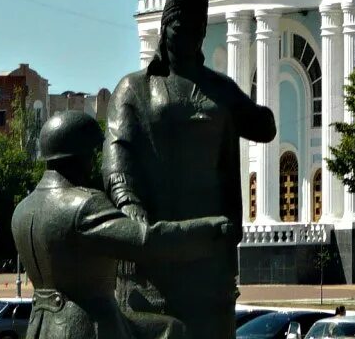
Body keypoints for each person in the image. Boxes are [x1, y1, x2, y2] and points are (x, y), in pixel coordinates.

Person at [105, 0, 276, 339]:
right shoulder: (134, 88)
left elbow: (264, 128)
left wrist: (243, 106)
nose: (190, 36)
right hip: (156, 249)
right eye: (181, 27)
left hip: (210, 252)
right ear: (165, 27)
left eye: (198, 28)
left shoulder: (218, 87)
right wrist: (128, 205)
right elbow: (118, 155)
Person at [13, 109, 234, 339]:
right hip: (88, 327)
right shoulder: (84, 204)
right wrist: (210, 229)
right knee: (175, 330)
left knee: (167, 328)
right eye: (92, 153)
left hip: (40, 327)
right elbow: (146, 241)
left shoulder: (22, 210)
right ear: (83, 155)